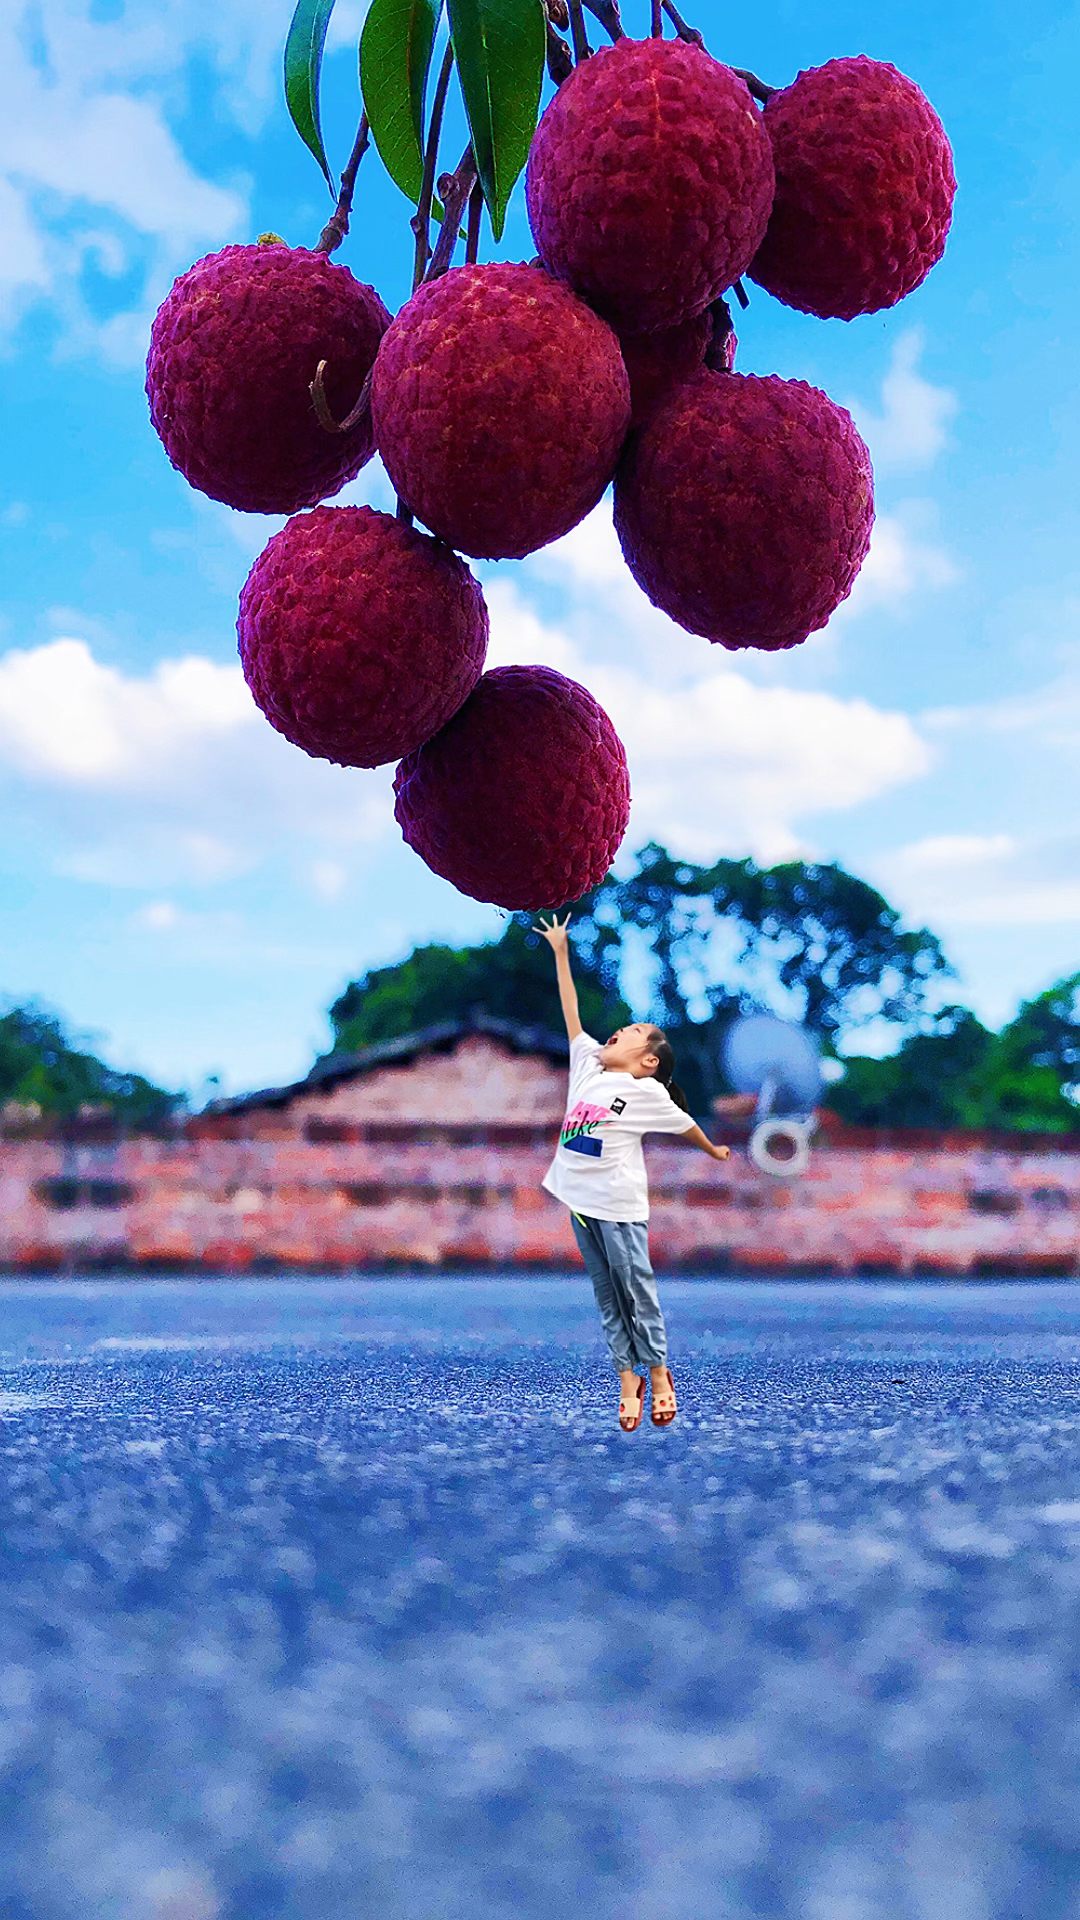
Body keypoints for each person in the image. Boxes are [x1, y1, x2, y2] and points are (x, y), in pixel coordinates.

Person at [535, 911, 731, 1432]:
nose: (618, 1032)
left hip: (619, 1208)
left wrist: (712, 1149)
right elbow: (571, 1015)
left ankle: (660, 1375)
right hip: (579, 1205)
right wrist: (560, 952)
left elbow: (685, 1122)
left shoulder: (645, 1093)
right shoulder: (588, 1064)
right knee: (606, 1295)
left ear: (646, 1062)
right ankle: (627, 1378)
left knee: (635, 1290)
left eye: (631, 1035)